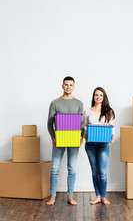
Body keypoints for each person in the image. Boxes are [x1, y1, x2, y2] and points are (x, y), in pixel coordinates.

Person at [47, 76, 84, 206]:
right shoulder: (55, 103)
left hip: (74, 140)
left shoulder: (79, 103)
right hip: (59, 140)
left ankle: (70, 196)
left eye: (70, 85)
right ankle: (52, 196)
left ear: (74, 87)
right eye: (66, 85)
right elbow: (49, 123)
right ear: (62, 86)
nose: (68, 87)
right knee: (54, 168)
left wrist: (81, 137)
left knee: (72, 168)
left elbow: (82, 124)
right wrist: (53, 137)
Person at [84, 87, 115, 205]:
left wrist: (112, 136)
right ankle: (97, 195)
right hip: (90, 145)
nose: (98, 97)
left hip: (103, 145)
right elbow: (85, 126)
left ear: (104, 97)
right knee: (94, 171)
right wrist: (85, 136)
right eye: (96, 95)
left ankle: (103, 196)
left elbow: (112, 126)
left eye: (101, 95)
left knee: (102, 172)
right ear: (93, 97)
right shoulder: (87, 110)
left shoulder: (109, 111)